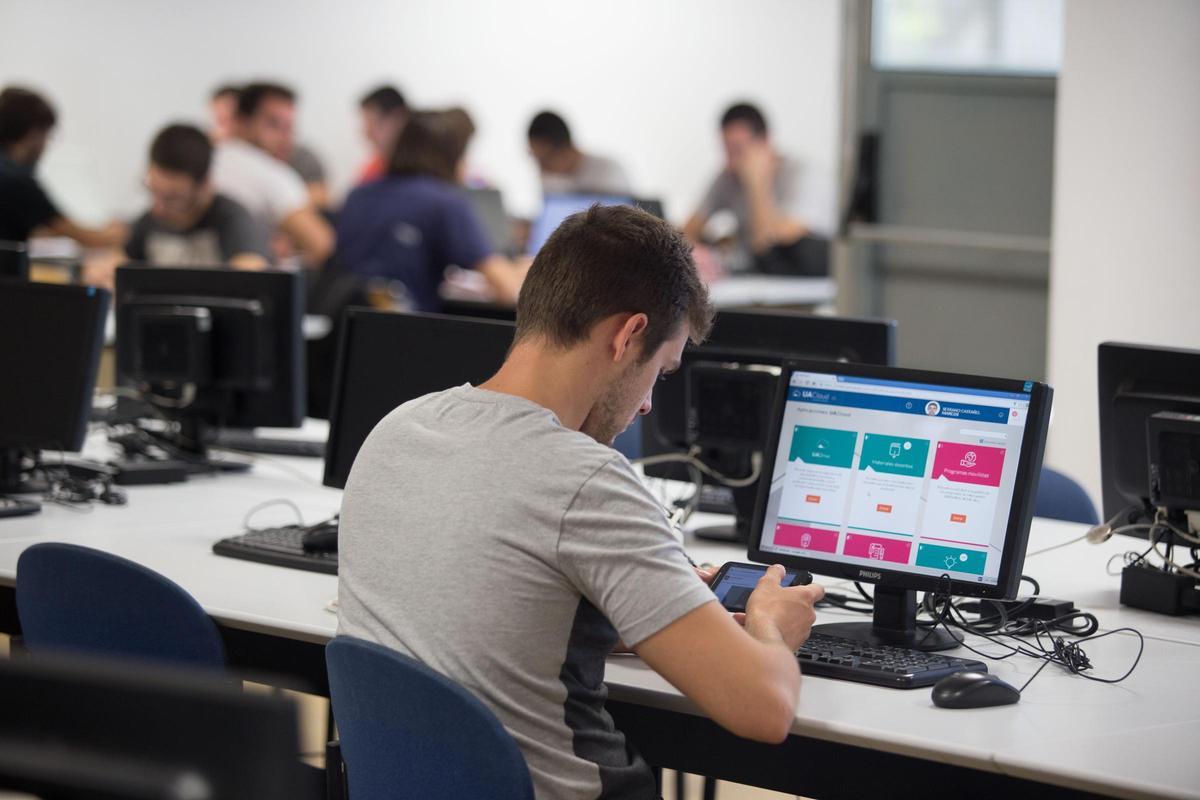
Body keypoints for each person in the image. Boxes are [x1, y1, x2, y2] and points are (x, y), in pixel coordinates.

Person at [337, 204, 825, 799]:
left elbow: (479, 608)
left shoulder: (398, 428)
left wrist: (634, 605)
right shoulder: (587, 479)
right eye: (661, 372)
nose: (647, 405)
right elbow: (765, 709)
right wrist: (773, 625)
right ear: (628, 335)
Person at [336, 109, 526, 311]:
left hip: (348, 333)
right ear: (451, 156)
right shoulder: (444, 202)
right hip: (408, 334)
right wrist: (525, 271)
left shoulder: (357, 196)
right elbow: (508, 290)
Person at [683, 102, 819, 274]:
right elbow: (686, 232)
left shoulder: (801, 175)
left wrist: (756, 183)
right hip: (754, 277)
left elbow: (767, 245)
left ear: (764, 143)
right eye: (726, 150)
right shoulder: (728, 177)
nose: (731, 162)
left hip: (798, 280)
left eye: (738, 150)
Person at [210, 82, 334, 266]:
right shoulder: (273, 174)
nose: (285, 137)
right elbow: (321, 244)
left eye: (289, 127)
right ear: (242, 122)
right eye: (273, 124)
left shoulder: (205, 160)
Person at [125, 123, 270, 269]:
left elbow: (251, 274)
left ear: (205, 186)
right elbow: (117, 264)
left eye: (173, 198)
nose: (158, 208)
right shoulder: (148, 223)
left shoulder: (235, 221)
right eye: (153, 191)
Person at [0, 86, 126, 247]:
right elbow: (86, 237)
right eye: (47, 135)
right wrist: (119, 231)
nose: (46, 144)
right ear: (33, 134)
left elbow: (46, 227)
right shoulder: (17, 181)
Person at [527, 110, 631, 197]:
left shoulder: (608, 170)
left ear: (563, 152)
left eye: (543, 160)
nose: (541, 168)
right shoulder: (549, 178)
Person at [356, 84, 407, 184]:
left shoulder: (432, 167)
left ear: (398, 119)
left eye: (372, 123)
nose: (367, 133)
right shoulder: (373, 170)